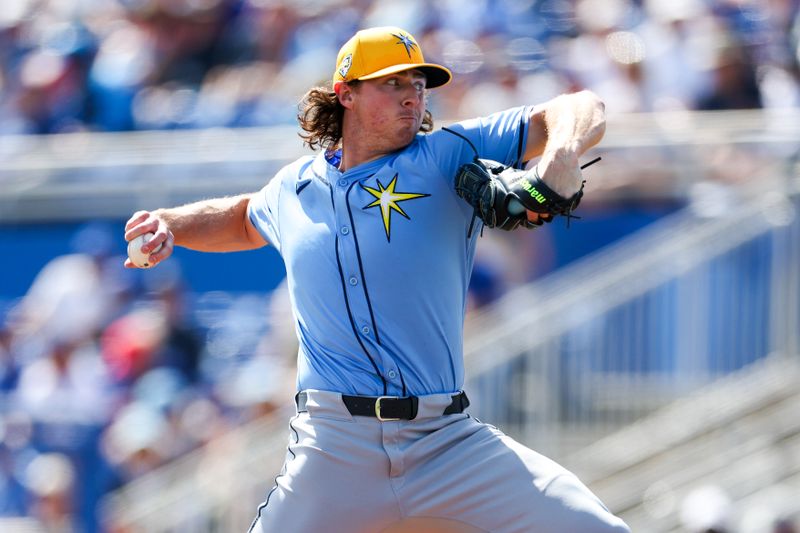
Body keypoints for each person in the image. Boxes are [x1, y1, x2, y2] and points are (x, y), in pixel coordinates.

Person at [124, 26, 628, 533]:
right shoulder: (293, 189)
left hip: (446, 440)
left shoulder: (444, 153)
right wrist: (169, 222)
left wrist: (561, 152)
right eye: (392, 83)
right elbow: (239, 218)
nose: (412, 95)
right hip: (333, 447)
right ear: (346, 94)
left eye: (419, 83)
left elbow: (579, 107)